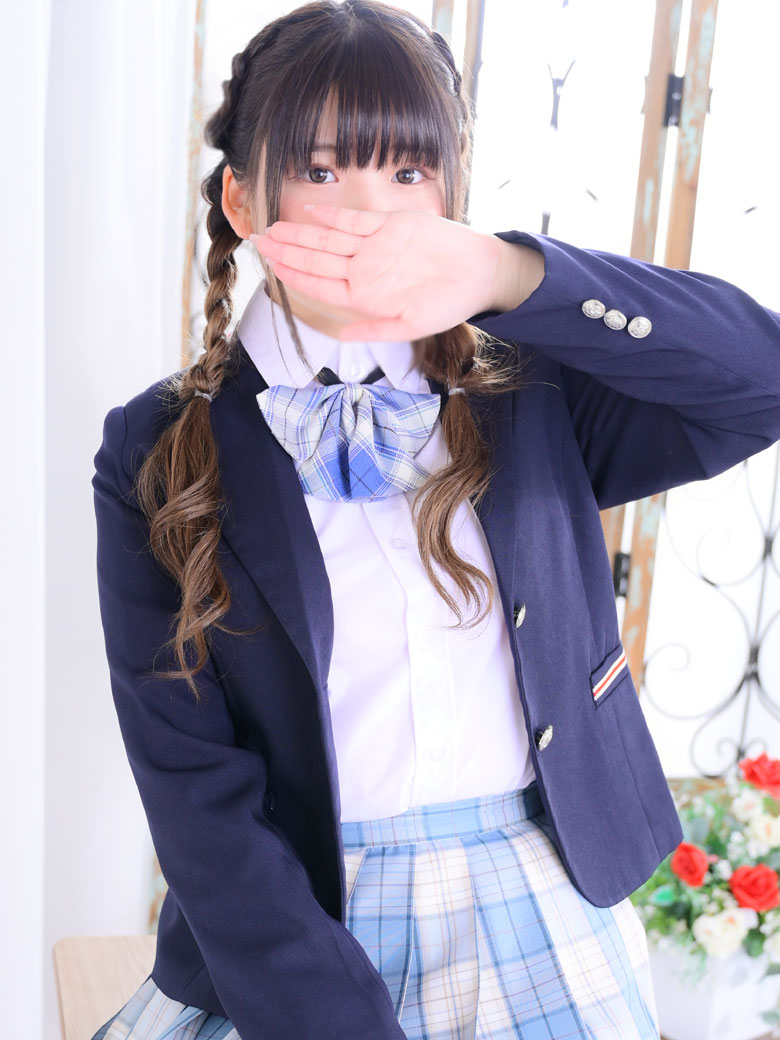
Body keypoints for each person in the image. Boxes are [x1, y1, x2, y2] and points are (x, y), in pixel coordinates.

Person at [90, 1, 780, 1038]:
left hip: (539, 897)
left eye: (409, 173)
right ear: (242, 197)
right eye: (322, 170)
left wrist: (510, 273)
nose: (373, 213)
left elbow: (760, 378)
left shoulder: (533, 388)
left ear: (452, 197)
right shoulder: (156, 446)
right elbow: (194, 784)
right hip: (292, 929)